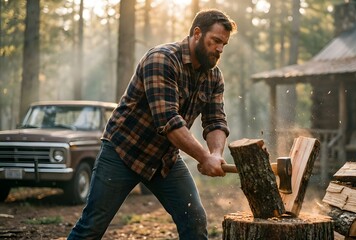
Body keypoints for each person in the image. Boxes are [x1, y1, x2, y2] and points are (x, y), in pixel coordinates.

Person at [68, 9, 237, 240]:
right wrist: (204, 158)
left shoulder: (214, 76)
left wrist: (215, 154)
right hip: (122, 153)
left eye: (224, 44)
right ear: (197, 33)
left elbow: (215, 120)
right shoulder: (162, 59)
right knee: (91, 227)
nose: (219, 49)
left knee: (195, 220)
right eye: (215, 41)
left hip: (165, 159)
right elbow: (169, 121)